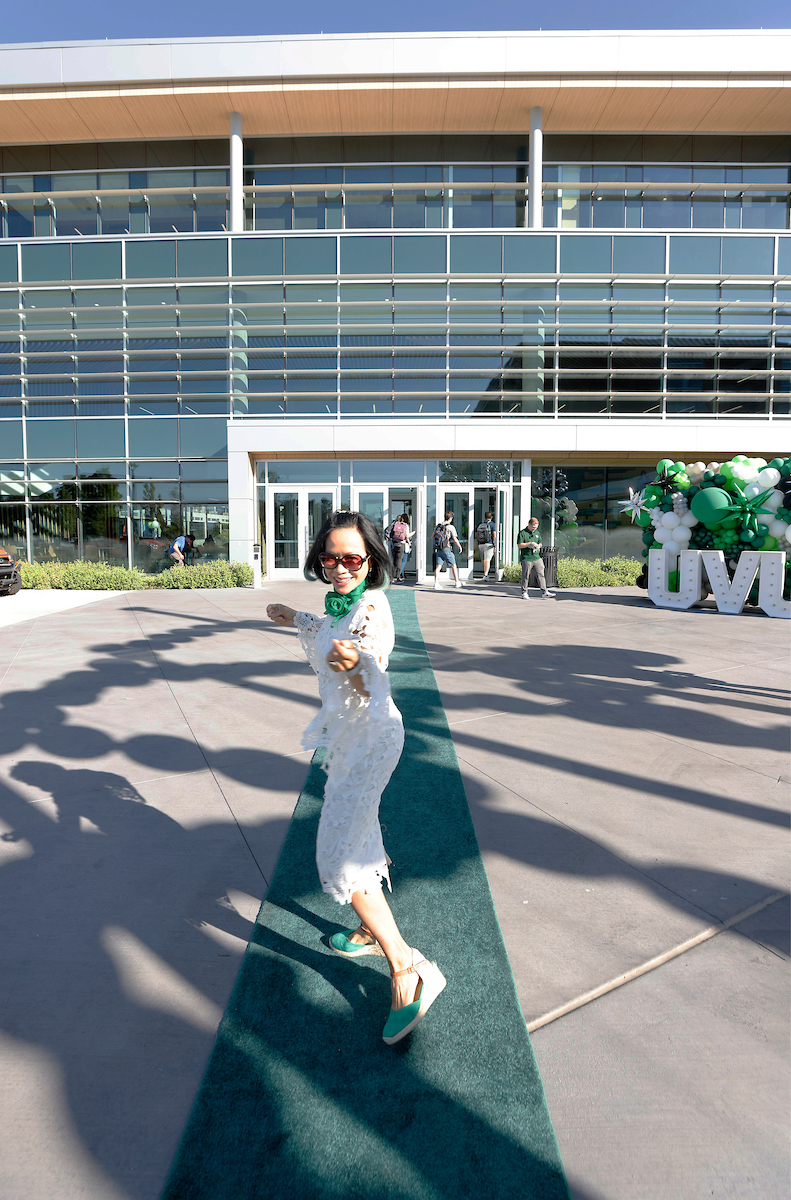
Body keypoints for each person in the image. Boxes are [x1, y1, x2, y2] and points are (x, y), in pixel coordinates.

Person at [266, 510, 446, 1045]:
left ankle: (408, 969)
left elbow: (369, 657)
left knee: (340, 854)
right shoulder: (336, 607)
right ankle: (369, 929)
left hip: (371, 740)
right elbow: (326, 628)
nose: (340, 568)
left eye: (351, 558)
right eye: (331, 557)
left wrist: (356, 666)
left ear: (372, 561)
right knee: (360, 831)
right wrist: (292, 616)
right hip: (348, 741)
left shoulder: (372, 609)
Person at [517, 517, 554, 599]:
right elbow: (519, 545)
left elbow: (540, 542)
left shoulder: (537, 533)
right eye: (533, 527)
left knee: (541, 574)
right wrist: (530, 543)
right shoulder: (522, 533)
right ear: (529, 524)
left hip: (536, 557)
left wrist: (539, 546)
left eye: (536, 527)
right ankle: (524, 592)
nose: (534, 529)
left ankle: (544, 592)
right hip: (526, 558)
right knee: (525, 575)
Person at [432, 510, 464, 590]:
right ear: (450, 518)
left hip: (439, 549)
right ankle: (457, 582)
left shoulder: (438, 526)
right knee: (453, 565)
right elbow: (455, 539)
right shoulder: (451, 527)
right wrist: (459, 546)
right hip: (446, 548)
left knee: (438, 566)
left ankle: (436, 583)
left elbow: (433, 537)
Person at [390, 513, 412, 582]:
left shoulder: (394, 525)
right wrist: (414, 531)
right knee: (399, 561)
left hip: (394, 544)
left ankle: (391, 577)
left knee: (394, 561)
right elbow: (407, 536)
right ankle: (397, 577)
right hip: (401, 544)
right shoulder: (405, 526)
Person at [475, 510, 497, 581]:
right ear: (491, 517)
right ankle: (485, 575)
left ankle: (485, 572)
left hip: (480, 544)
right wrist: (495, 545)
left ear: (484, 517)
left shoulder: (480, 524)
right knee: (487, 560)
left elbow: (476, 535)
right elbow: (494, 535)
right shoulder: (493, 524)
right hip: (489, 544)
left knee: (483, 560)